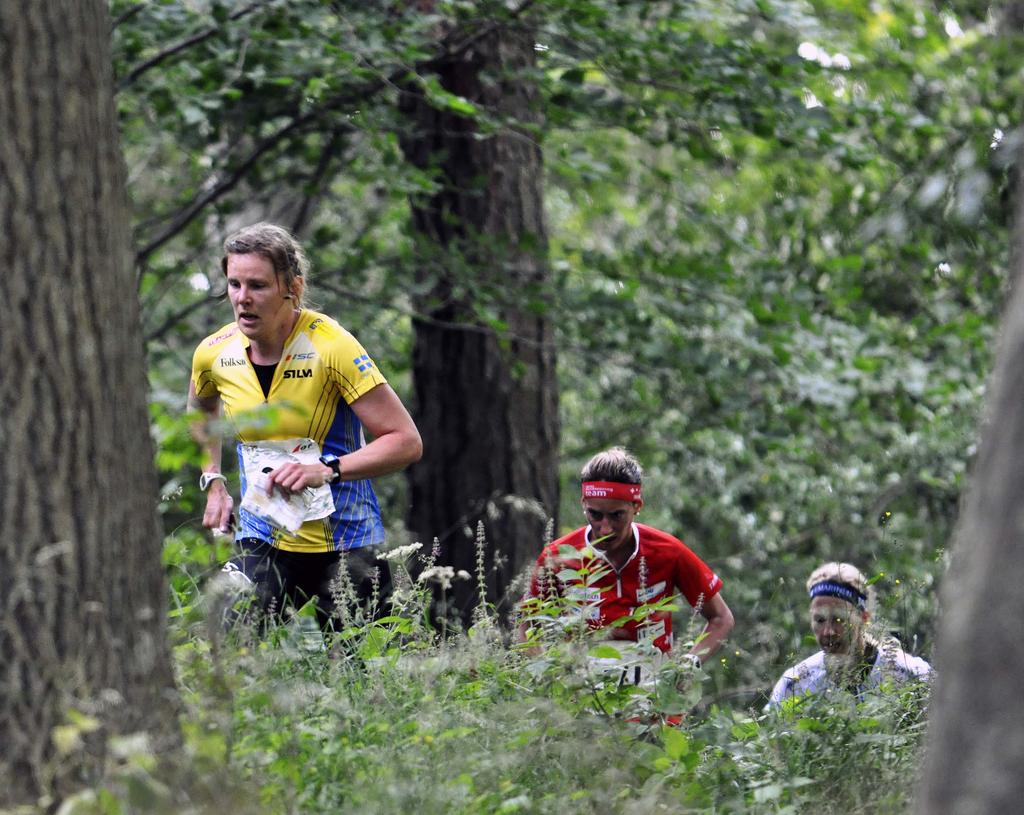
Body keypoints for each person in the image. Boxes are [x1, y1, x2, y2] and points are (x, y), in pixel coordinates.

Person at [188, 222, 422, 631]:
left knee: (360, 677)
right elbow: (201, 409)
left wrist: (326, 469)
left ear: (291, 288)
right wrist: (214, 480)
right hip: (264, 536)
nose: (243, 299)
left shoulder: (332, 346)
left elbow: (405, 441)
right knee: (225, 635)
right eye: (234, 284)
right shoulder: (214, 352)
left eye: (258, 285)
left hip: (347, 541)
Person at [519, 447, 734, 690]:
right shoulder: (558, 556)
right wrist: (549, 680)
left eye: (617, 515)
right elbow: (526, 626)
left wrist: (689, 663)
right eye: (595, 514)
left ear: (636, 505)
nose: (605, 528)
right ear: (583, 503)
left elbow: (721, 617)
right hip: (582, 701)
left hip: (655, 697)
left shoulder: (667, 550)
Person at [767, 562, 932, 708]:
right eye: (819, 620)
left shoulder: (911, 676)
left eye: (839, 619)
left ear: (864, 618)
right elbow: (769, 738)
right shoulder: (795, 685)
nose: (828, 632)